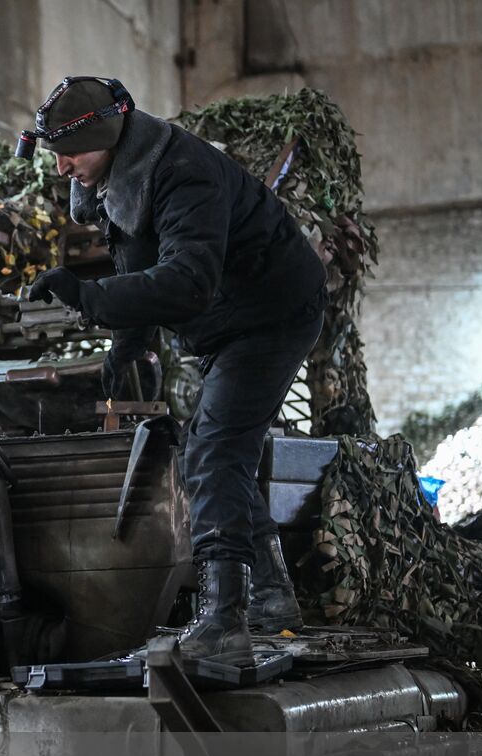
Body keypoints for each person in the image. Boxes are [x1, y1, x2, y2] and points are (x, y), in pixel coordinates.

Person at [25, 76, 327, 658]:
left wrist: (89, 297)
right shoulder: (122, 171)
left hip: (272, 314)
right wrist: (127, 342)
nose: (62, 168)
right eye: (54, 155)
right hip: (229, 322)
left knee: (215, 451)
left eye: (70, 153)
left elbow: (187, 283)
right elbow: (138, 254)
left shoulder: (184, 173)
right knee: (211, 454)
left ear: (109, 136)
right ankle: (268, 595)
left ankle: (223, 622)